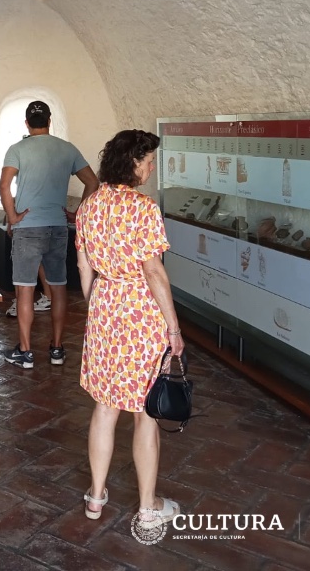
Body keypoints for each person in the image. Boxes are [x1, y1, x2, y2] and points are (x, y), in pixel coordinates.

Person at [74, 129, 186, 531]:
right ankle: (148, 507)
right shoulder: (143, 208)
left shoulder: (91, 205)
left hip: (105, 306)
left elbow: (84, 266)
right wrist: (173, 326)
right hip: (140, 311)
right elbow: (154, 271)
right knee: (145, 411)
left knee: (105, 407)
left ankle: (96, 497)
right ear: (132, 162)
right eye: (148, 160)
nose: (152, 167)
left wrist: (97, 305)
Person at [0, 100, 98, 368]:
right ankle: (56, 349)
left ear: (27, 123)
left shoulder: (17, 149)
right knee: (58, 287)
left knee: (25, 290)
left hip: (28, 228)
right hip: (57, 227)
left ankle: (26, 351)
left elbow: (5, 186)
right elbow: (92, 182)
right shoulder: (67, 149)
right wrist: (78, 214)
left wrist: (13, 217)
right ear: (49, 121)